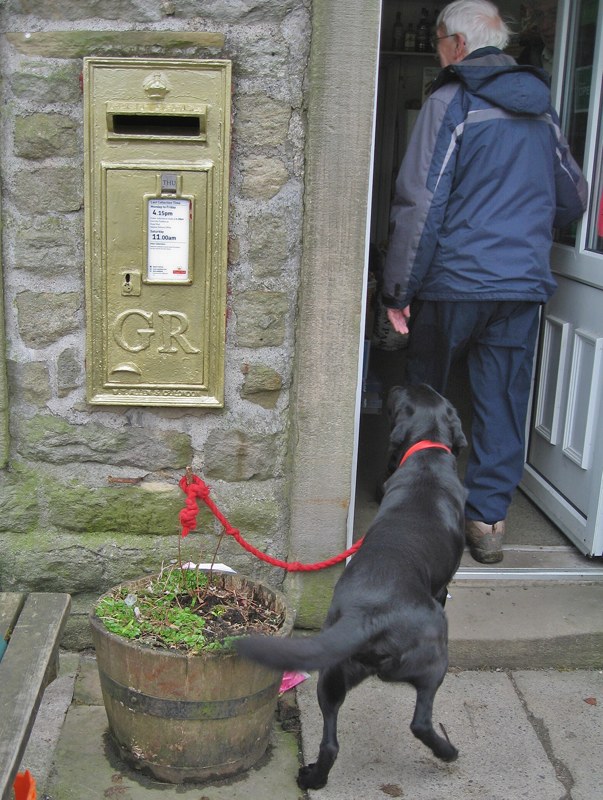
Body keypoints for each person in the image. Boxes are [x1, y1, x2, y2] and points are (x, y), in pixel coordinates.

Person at [381, 0, 587, 563]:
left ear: (455, 44)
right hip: (519, 286)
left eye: (438, 44)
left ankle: (418, 512)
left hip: (452, 284)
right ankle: (487, 523)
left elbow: (419, 203)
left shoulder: (452, 100)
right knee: (501, 402)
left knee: (427, 395)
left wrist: (398, 290)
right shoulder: (542, 113)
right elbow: (573, 197)